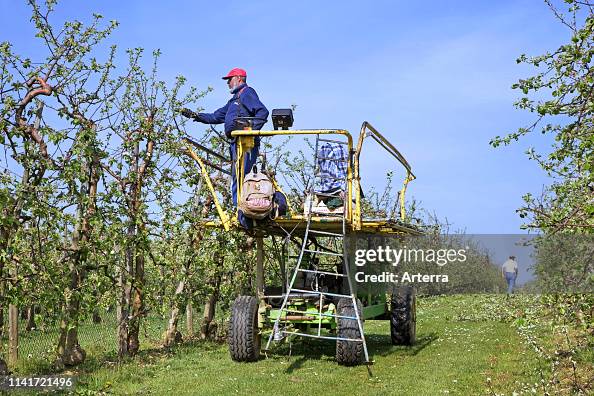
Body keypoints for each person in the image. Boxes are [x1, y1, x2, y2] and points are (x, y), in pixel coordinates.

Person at [181, 68, 269, 205]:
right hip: (236, 143)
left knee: (242, 176)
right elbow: (216, 116)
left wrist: (251, 130)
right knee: (237, 176)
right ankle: (237, 208)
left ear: (239, 78)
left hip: (246, 143)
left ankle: (241, 210)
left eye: (229, 79)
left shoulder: (247, 93)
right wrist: (196, 116)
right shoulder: (235, 100)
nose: (228, 83)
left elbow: (262, 112)